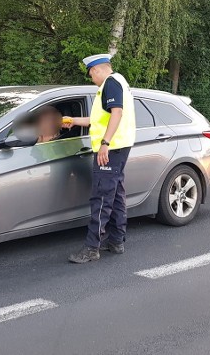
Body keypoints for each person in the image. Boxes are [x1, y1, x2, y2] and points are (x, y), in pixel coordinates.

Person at [63, 53, 137, 264]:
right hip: (119, 147)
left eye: (91, 75)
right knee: (116, 194)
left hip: (111, 149)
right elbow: (98, 119)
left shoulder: (110, 84)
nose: (91, 79)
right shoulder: (118, 82)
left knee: (102, 197)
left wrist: (105, 143)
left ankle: (92, 247)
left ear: (96, 70)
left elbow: (117, 113)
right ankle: (116, 241)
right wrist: (73, 120)